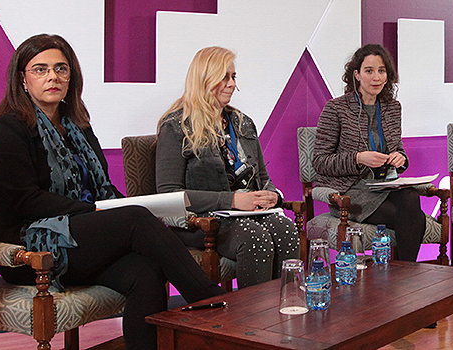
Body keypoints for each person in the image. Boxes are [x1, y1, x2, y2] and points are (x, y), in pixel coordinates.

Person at [0, 34, 224, 350]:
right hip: (30, 246)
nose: (53, 77)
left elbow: (101, 188)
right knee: (136, 220)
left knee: (145, 271)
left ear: (72, 77)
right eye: (40, 69)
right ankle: (215, 308)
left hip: (79, 237)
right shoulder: (10, 127)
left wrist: (111, 207)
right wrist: (94, 211)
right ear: (23, 79)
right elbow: (22, 200)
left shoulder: (78, 126)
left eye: (61, 69)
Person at [157, 46, 299, 289]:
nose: (231, 84)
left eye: (233, 77)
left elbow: (263, 178)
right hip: (203, 222)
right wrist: (231, 200)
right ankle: (250, 321)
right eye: (224, 77)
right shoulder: (176, 127)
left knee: (285, 228)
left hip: (247, 215)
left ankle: (285, 309)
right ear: (204, 79)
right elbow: (169, 194)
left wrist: (271, 196)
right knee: (255, 239)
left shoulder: (242, 123)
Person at [312, 44, 426, 262]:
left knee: (411, 197)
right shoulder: (336, 109)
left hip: (384, 185)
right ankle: (405, 275)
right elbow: (320, 161)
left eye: (381, 71)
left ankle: (401, 275)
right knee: (413, 219)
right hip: (350, 191)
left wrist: (400, 159)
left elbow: (396, 148)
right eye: (369, 71)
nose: (376, 77)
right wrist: (357, 158)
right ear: (356, 74)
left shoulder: (392, 107)